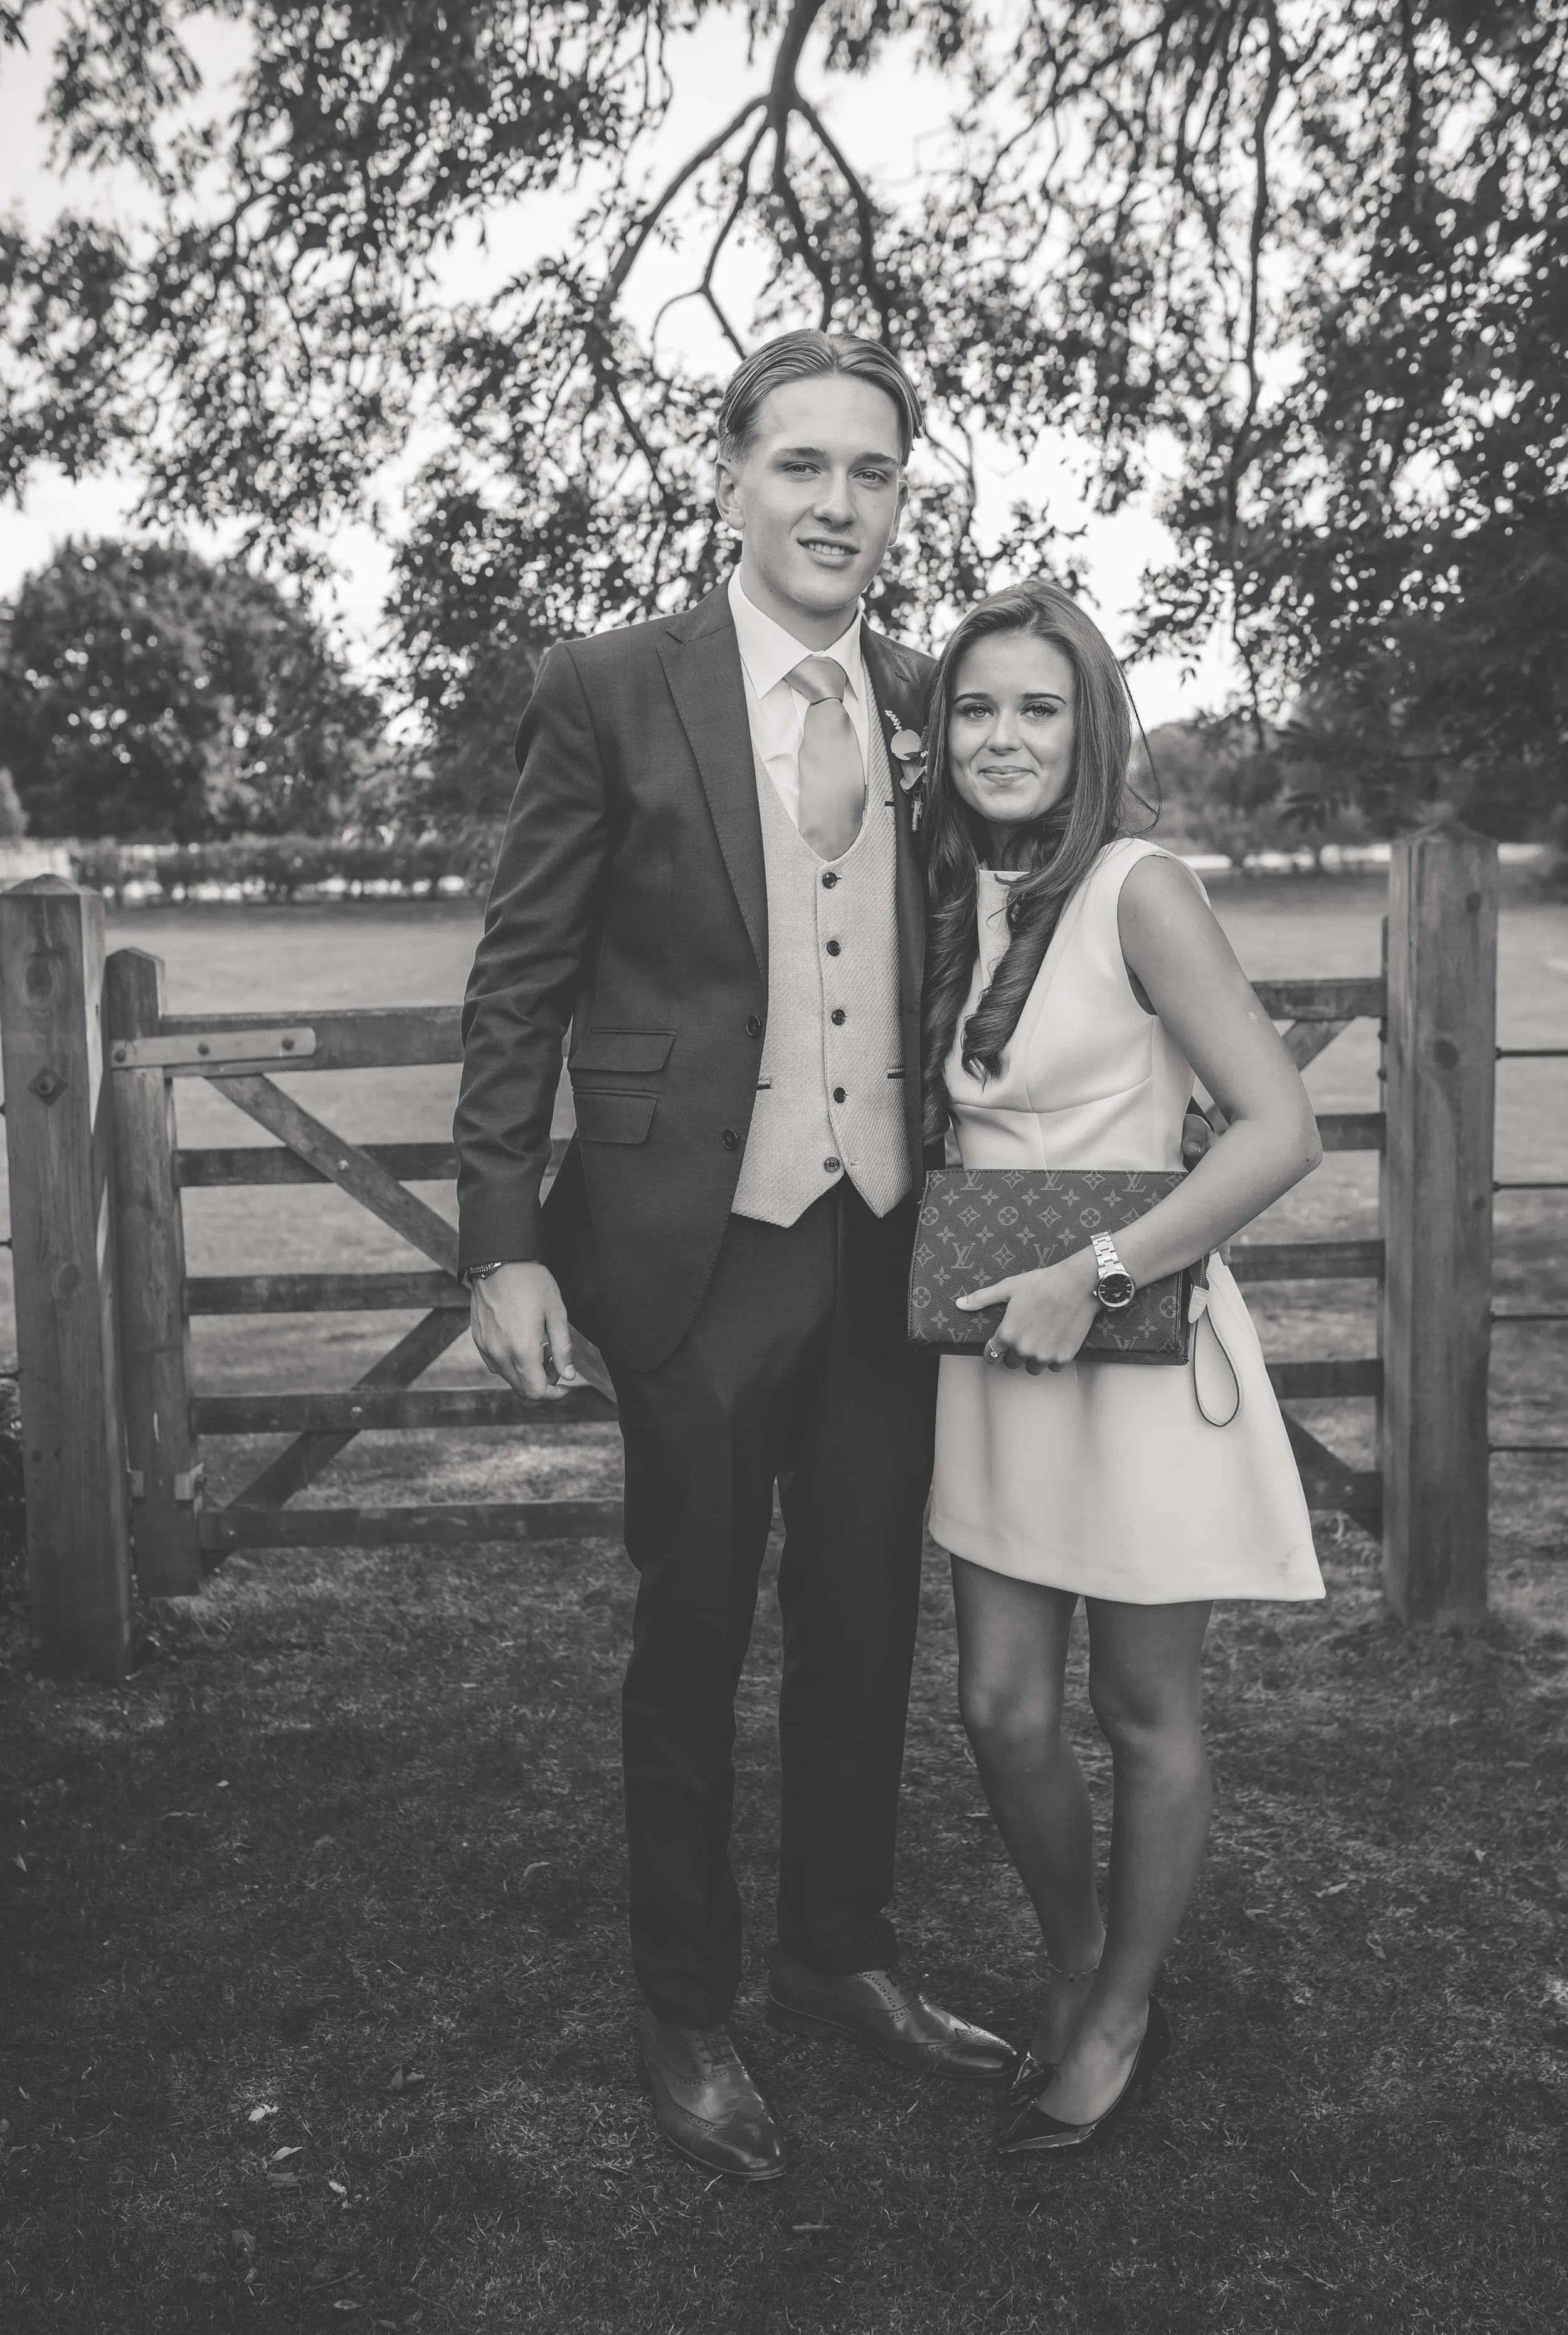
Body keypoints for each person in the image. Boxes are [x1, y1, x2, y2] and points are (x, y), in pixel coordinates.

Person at [452, 330, 1019, 2184]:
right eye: (801, 466)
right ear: (729, 476)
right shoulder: (613, 685)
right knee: (689, 1636)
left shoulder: (943, 700)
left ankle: (838, 1948)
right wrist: (501, 1241)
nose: (835, 503)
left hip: (884, 1249)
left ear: (898, 498)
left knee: (862, 1627)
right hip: (689, 1248)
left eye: (870, 473)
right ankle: (682, 2005)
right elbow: (522, 970)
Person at [920, 580, 1326, 2161]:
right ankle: (1074, 1952)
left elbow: (1283, 1131)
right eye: (972, 708)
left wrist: (1092, 1280)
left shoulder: (1140, 886)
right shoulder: (956, 893)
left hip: (1131, 1342)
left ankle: (1122, 2000)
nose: (1002, 738)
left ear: (1089, 727)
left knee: (1141, 1706)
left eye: (1037, 708)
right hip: (989, 1354)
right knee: (997, 1708)